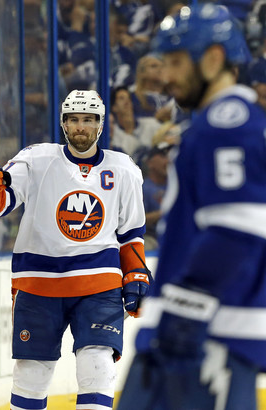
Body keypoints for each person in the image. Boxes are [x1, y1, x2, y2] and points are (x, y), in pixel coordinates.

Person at [118, 4, 266, 409]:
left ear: (214, 59)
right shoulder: (216, 123)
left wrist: (186, 314)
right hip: (200, 330)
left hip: (207, 337)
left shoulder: (228, 123)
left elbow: (237, 232)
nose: (167, 76)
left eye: (178, 62)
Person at [0, 89, 149, 410]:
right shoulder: (36, 159)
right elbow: (0, 203)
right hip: (39, 284)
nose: (80, 127)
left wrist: (136, 272)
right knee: (32, 372)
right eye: (73, 120)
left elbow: (130, 233)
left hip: (99, 285)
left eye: (87, 120)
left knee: (97, 365)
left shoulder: (123, 169)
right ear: (63, 123)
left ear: (100, 125)